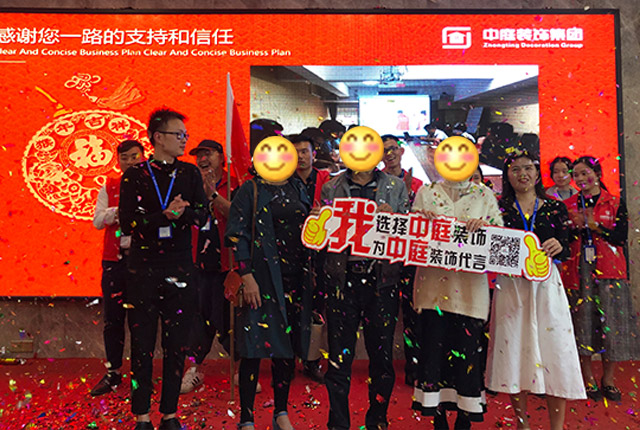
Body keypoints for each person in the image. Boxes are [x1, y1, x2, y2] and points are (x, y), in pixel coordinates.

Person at [119, 108, 209, 430]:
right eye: (178, 135)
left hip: (180, 268)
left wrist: (183, 214)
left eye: (185, 135)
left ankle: (170, 413)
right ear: (158, 137)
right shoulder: (135, 175)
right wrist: (163, 217)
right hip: (143, 269)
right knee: (142, 344)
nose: (184, 140)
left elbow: (202, 215)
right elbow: (127, 223)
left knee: (176, 344)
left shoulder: (189, 173)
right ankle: (142, 415)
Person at [485, 151, 585, 430]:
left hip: (546, 286)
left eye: (528, 168)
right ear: (507, 176)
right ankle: (522, 423)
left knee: (555, 350)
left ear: (537, 173)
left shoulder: (555, 207)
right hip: (511, 286)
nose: (522, 174)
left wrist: (558, 246)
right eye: (515, 169)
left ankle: (557, 426)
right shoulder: (498, 208)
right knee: (514, 351)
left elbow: (566, 247)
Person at [411, 167, 502, 430]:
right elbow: (410, 234)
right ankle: (437, 415)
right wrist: (420, 221)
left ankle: (465, 416)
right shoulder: (426, 192)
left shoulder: (484, 194)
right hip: (432, 290)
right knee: (433, 354)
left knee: (467, 357)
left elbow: (500, 235)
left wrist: (485, 228)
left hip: (470, 291)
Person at [225, 160, 313, 430]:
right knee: (253, 348)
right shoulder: (250, 189)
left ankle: (281, 412)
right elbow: (236, 235)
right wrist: (246, 274)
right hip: (261, 280)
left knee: (286, 349)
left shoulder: (298, 187)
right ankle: (246, 418)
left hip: (295, 279)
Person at [321, 167, 409, 430]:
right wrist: (319, 221)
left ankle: (378, 420)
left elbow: (409, 233)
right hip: (342, 279)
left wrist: (394, 219)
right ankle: (338, 424)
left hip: (382, 281)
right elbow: (322, 235)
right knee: (338, 359)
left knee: (382, 359)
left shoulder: (395, 186)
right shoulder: (331, 187)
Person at [562, 156, 639, 401]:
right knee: (582, 325)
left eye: (585, 173)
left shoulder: (615, 202)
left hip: (610, 271)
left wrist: (596, 227)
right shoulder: (568, 205)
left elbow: (620, 238)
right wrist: (575, 229)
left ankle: (609, 379)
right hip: (578, 271)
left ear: (597, 174)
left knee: (611, 327)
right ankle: (588, 379)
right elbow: (563, 241)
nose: (580, 179)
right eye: (576, 175)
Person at [180, 139, 240, 394]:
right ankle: (193, 369)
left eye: (208, 154)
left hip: (229, 264)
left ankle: (239, 370)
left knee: (230, 319)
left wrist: (213, 195)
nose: (203, 159)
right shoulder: (189, 183)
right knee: (197, 319)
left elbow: (238, 216)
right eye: (199, 155)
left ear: (221, 157)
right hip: (198, 264)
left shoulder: (236, 184)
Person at [89, 140, 144, 396]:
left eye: (134, 157)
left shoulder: (152, 185)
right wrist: (118, 212)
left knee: (141, 321)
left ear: (143, 157)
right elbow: (98, 221)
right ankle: (113, 372)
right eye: (125, 158)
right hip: (114, 261)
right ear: (118, 161)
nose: (130, 162)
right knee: (113, 319)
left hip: (143, 262)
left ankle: (141, 374)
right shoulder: (110, 185)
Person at [380, 134, 423, 385]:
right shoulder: (375, 185)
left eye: (393, 148)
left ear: (401, 151)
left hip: (410, 259)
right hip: (384, 259)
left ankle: (413, 366)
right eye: (384, 150)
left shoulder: (418, 184)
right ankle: (383, 367)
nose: (390, 154)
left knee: (412, 315)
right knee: (383, 316)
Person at [291, 133, 332, 383]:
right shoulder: (283, 181)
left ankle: (312, 360)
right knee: (290, 307)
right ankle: (286, 361)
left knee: (317, 310)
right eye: (295, 152)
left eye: (304, 151)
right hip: (291, 253)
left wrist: (326, 213)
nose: (300, 157)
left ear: (313, 154)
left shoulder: (328, 181)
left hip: (321, 255)